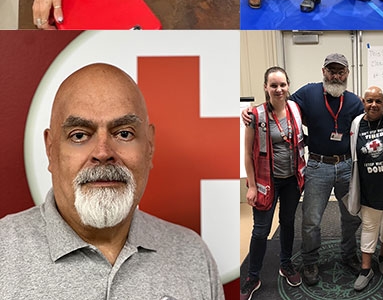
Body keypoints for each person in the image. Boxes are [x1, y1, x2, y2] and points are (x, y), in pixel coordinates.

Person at [0, 64, 222, 298]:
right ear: (50, 149)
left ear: (149, 147)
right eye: (79, 135)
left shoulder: (193, 255)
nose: (103, 152)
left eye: (124, 133)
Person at [241, 52, 364, 285]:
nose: (336, 76)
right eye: (331, 71)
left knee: (352, 216)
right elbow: (278, 102)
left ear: (347, 73)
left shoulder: (354, 102)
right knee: (311, 220)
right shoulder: (307, 93)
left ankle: (349, 255)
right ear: (323, 71)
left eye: (340, 71)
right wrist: (250, 110)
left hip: (346, 166)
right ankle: (310, 261)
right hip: (317, 166)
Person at [240, 67, 306, 299]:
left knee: (287, 223)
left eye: (282, 85)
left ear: (288, 86)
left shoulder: (295, 108)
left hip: (292, 180)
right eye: (274, 85)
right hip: (266, 182)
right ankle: (253, 277)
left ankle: (285, 264)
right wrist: (251, 186)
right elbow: (247, 153)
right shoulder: (255, 115)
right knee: (261, 230)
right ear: (266, 87)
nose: (279, 89)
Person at [346, 86, 383, 291]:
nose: (374, 105)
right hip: (368, 187)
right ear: (363, 102)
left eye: (378, 101)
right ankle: (366, 269)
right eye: (369, 101)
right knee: (369, 226)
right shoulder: (357, 123)